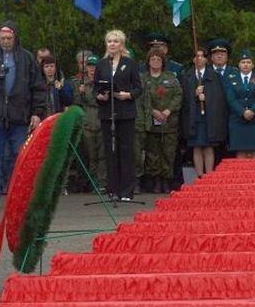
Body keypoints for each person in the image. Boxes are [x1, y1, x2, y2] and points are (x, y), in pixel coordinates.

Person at [0, 20, 46, 209]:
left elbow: (38, 88)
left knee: (19, 157)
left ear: (15, 37)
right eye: (2, 38)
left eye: (9, 38)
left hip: (19, 118)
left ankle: (19, 195)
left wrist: (37, 112)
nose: (5, 41)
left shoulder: (27, 58)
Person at [95, 29, 143, 201]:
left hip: (126, 112)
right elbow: (96, 88)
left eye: (115, 41)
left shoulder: (129, 63)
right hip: (108, 113)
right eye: (109, 41)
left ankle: (127, 191)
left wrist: (128, 95)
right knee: (110, 152)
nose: (112, 44)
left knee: (126, 151)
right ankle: (113, 189)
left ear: (121, 44)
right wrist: (100, 95)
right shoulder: (101, 64)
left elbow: (138, 88)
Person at [181, 45, 226, 177]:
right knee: (197, 146)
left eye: (202, 56)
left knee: (208, 146)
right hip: (194, 117)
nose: (199, 58)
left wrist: (206, 97)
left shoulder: (215, 76)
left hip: (209, 117)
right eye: (197, 56)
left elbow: (218, 98)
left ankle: (209, 175)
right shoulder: (186, 76)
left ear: (207, 59)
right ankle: (200, 175)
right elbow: (183, 98)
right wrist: (194, 94)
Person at [141, 49, 182, 192]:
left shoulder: (171, 78)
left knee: (168, 153)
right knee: (153, 153)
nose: (156, 62)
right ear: (148, 61)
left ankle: (166, 180)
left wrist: (168, 110)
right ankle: (156, 181)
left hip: (169, 122)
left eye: (159, 59)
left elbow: (178, 96)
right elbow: (141, 98)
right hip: (151, 122)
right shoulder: (143, 79)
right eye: (153, 59)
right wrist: (152, 111)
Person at [224, 50, 255, 158]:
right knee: (241, 152)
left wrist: (252, 111)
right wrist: (243, 112)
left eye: (248, 62)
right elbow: (231, 99)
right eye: (243, 62)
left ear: (253, 65)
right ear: (238, 65)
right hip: (238, 120)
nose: (245, 65)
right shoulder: (231, 79)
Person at [74, 54, 106, 192]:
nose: (92, 69)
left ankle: (102, 182)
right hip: (88, 123)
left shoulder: (103, 82)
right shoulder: (81, 83)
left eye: (94, 66)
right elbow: (76, 103)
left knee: (102, 155)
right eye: (90, 66)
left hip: (101, 120)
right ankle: (93, 182)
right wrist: (80, 93)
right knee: (91, 155)